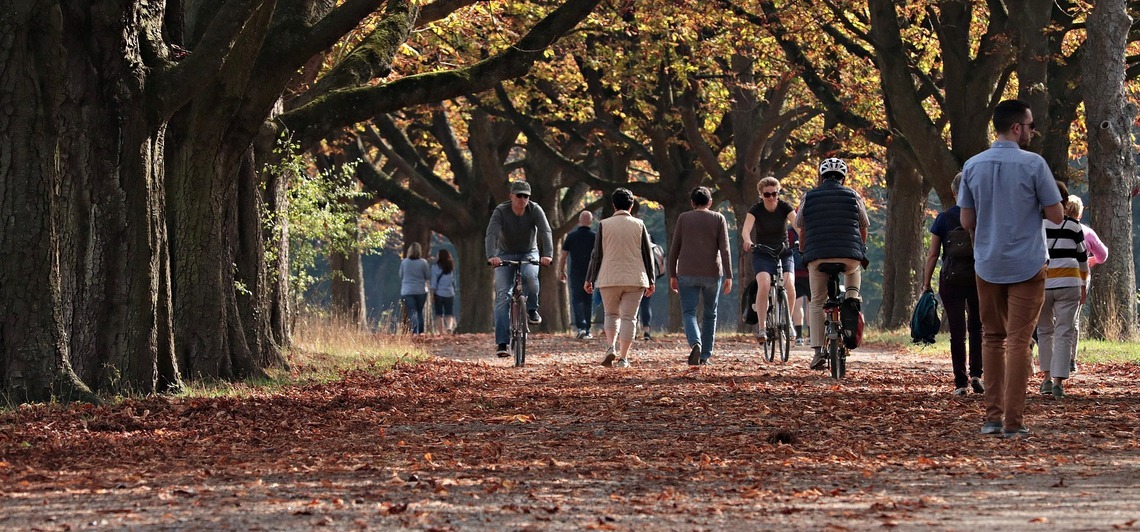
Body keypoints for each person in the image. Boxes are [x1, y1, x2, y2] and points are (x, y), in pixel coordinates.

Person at [959, 99, 1064, 438]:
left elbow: (966, 220)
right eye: (1030, 126)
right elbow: (1057, 215)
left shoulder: (973, 166)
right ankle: (1014, 423)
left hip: (987, 262)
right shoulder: (1035, 165)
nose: (1033, 131)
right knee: (1019, 341)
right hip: (1028, 262)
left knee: (992, 338)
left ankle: (991, 418)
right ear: (1017, 128)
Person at [795, 158, 870, 370]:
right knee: (853, 282)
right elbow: (864, 226)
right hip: (849, 256)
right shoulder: (854, 196)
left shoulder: (807, 197)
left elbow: (801, 228)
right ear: (843, 178)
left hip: (818, 256)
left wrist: (803, 251)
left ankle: (818, 352)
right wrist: (860, 248)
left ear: (821, 176)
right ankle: (851, 307)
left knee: (817, 301)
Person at [922, 173, 984, 396]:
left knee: (957, 331)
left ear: (954, 192)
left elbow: (932, 254)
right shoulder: (981, 216)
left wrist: (926, 283)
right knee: (977, 327)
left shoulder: (943, 218)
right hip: (978, 277)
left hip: (951, 279)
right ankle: (977, 373)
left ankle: (960, 383)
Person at [584, 189, 656, 367]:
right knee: (629, 317)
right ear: (631, 205)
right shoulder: (639, 225)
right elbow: (648, 254)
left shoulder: (604, 224)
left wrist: (589, 278)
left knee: (611, 314)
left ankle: (611, 347)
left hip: (609, 277)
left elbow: (597, 255)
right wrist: (651, 279)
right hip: (635, 278)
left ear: (613, 205)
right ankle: (623, 357)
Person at [486, 181, 554, 357]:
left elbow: (546, 231)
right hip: (504, 253)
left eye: (526, 196)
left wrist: (548, 254)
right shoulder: (501, 211)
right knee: (503, 296)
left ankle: (532, 309)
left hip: (529, 252)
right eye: (519, 195)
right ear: (511, 196)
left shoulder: (535, 210)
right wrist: (491, 256)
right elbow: (492, 233)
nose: (522, 199)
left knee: (531, 277)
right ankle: (502, 343)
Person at [667, 186, 733, 366]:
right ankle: (705, 355)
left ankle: (695, 342)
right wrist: (729, 275)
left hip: (687, 272)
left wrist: (672, 274)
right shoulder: (719, 218)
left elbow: (674, 249)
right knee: (710, 314)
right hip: (712, 272)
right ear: (710, 202)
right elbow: (725, 249)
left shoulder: (683, 218)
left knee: (689, 312)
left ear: (692, 203)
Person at [1036, 182, 1088, 399]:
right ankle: (1059, 382)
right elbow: (1083, 259)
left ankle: (1046, 379)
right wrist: (1083, 284)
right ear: (1066, 202)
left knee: (1044, 331)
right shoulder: (1075, 227)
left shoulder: (1036, 225)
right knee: (1064, 332)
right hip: (1069, 283)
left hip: (1042, 284)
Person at [741, 176, 798, 345]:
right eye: (767, 195)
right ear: (761, 195)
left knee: (790, 285)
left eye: (775, 193)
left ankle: (789, 323)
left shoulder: (784, 207)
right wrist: (747, 240)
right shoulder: (755, 209)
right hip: (763, 253)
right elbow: (746, 228)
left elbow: (797, 224)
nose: (772, 197)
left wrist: (803, 238)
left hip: (783, 252)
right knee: (764, 283)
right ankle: (762, 327)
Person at [1066, 195, 1107, 373]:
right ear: (1080, 213)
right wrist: (1093, 260)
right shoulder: (1087, 232)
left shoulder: (1054, 228)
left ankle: (1053, 357)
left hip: (1054, 276)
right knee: (1073, 319)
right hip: (1080, 277)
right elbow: (1103, 254)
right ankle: (1071, 360)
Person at [561, 210, 597, 339]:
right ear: (591, 222)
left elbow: (564, 256)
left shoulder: (571, 236)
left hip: (575, 272)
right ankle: (587, 329)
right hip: (590, 273)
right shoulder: (595, 237)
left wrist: (561, 270)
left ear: (578, 221)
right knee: (588, 300)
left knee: (577, 300)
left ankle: (581, 327)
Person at [399, 242, 431, 335]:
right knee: (419, 312)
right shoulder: (423, 262)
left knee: (412, 312)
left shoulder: (404, 262)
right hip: (420, 290)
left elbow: (401, 275)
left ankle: (414, 331)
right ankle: (420, 332)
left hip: (407, 291)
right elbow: (428, 276)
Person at [790, 227, 809, 346]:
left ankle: (799, 336)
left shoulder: (790, 232)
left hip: (795, 273)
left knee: (797, 304)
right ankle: (812, 335)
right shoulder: (811, 229)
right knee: (812, 304)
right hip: (810, 271)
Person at [430, 249, 457, 335]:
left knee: (439, 314)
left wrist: (432, 294)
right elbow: (454, 281)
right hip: (450, 293)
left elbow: (433, 282)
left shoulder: (435, 267)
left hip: (439, 293)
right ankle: (449, 327)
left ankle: (441, 332)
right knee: (449, 313)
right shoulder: (451, 266)